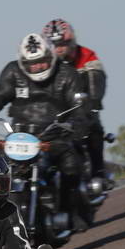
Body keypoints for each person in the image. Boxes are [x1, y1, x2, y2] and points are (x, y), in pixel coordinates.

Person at [0, 32, 92, 230]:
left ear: (51, 57)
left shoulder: (67, 74)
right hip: (20, 135)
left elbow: (79, 106)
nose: (37, 66)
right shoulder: (13, 71)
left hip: (54, 135)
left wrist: (77, 122)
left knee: (71, 165)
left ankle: (71, 210)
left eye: (42, 61)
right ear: (22, 62)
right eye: (31, 63)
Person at [42, 18, 110, 184]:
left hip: (80, 106)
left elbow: (96, 82)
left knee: (93, 125)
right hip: (55, 111)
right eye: (54, 45)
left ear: (71, 41)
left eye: (62, 44)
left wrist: (92, 101)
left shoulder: (87, 56)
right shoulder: (45, 63)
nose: (59, 48)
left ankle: (98, 172)